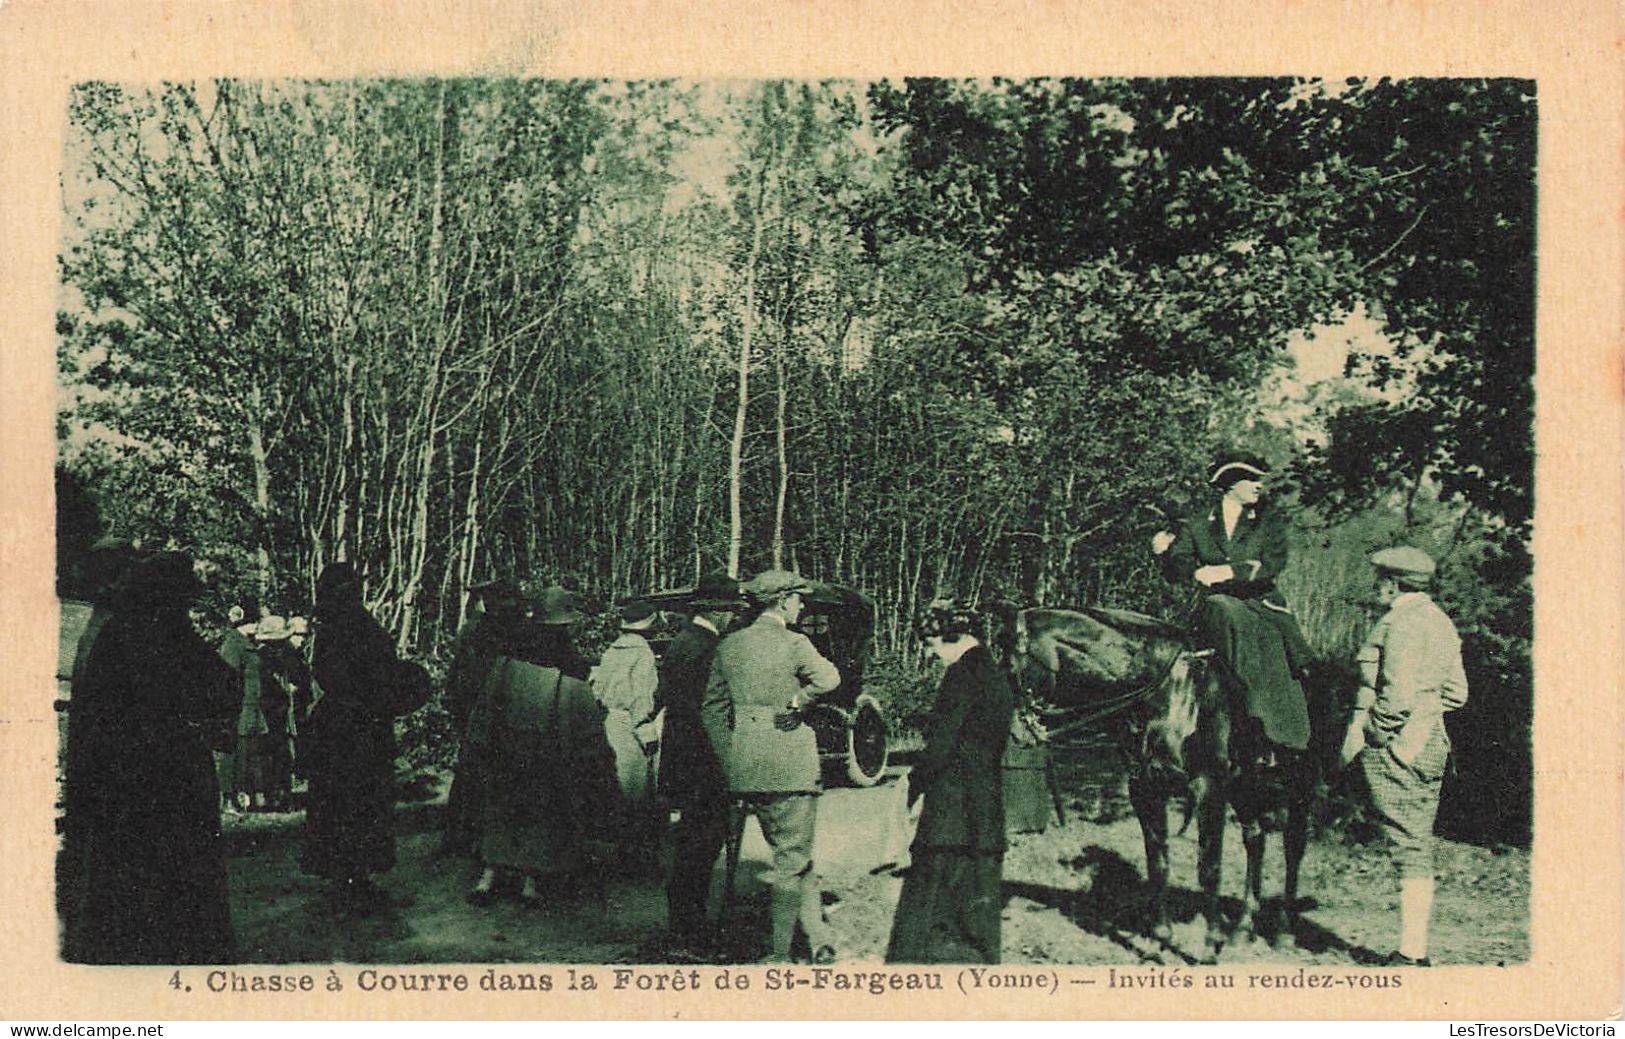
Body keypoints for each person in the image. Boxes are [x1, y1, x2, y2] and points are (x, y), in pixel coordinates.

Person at [60, 551, 237, 964]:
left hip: (121, 776)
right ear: (167, 597)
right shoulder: (167, 633)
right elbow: (220, 685)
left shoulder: (110, 632)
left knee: (127, 870)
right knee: (175, 870)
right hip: (168, 771)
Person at [701, 569, 841, 963]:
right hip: (790, 766)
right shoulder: (796, 643)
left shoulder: (729, 646)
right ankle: (781, 954)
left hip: (745, 766)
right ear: (782, 601)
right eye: (798, 599)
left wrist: (731, 756)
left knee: (795, 856)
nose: (801, 606)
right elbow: (830, 679)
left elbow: (712, 709)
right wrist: (800, 701)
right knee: (790, 859)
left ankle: (818, 938)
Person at [1340, 545, 1469, 967]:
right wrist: (1428, 711)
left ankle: (1412, 954)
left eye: (1379, 580)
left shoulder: (1401, 623)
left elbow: (1395, 695)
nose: (1376, 588)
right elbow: (1457, 693)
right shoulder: (1441, 622)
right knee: (1416, 842)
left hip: (1400, 744)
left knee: (1409, 847)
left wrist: (1375, 733)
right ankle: (1415, 950)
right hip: (1433, 741)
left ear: (1392, 583)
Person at [465, 585, 619, 907]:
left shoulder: (509, 654)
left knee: (502, 807)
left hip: (508, 742)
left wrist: (481, 738)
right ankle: (530, 883)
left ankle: (489, 876)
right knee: (542, 811)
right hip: (545, 745)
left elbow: (488, 700)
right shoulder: (566, 661)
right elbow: (577, 706)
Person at [1153, 451, 1313, 757]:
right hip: (1212, 609)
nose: (1258, 485)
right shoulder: (1198, 523)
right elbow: (1178, 572)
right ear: (1230, 483)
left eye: (1259, 479)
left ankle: (1275, 732)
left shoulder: (1268, 521)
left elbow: (1272, 563)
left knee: (1295, 664)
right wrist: (1164, 553)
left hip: (1261, 605)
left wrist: (1227, 572)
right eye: (1251, 479)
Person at [886, 599, 1014, 964]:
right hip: (984, 805)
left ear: (951, 636)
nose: (932, 655)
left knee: (927, 911)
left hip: (950, 810)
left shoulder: (961, 674)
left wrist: (914, 782)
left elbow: (942, 743)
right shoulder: (995, 673)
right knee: (975, 908)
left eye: (932, 645)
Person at [301, 562, 432, 911]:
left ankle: (346, 877)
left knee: (341, 803)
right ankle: (352, 880)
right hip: (361, 729)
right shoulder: (356, 627)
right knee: (360, 803)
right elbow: (376, 678)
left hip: (340, 726)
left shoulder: (330, 628)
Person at [654, 573, 743, 952]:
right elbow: (709, 712)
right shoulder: (708, 647)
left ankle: (685, 926)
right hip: (703, 762)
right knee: (701, 847)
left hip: (680, 758)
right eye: (730, 612)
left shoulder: (681, 642)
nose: (732, 619)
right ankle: (689, 930)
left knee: (691, 846)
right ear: (718, 612)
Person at [440, 580, 526, 858]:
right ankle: (471, 837)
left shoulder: (479, 630)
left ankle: (466, 836)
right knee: (481, 772)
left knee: (474, 771)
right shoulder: (486, 631)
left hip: (480, 707)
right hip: (482, 707)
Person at [594, 600, 663, 811]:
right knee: (634, 793)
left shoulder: (611, 651)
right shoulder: (643, 654)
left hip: (606, 723)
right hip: (629, 727)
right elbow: (641, 699)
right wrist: (648, 736)